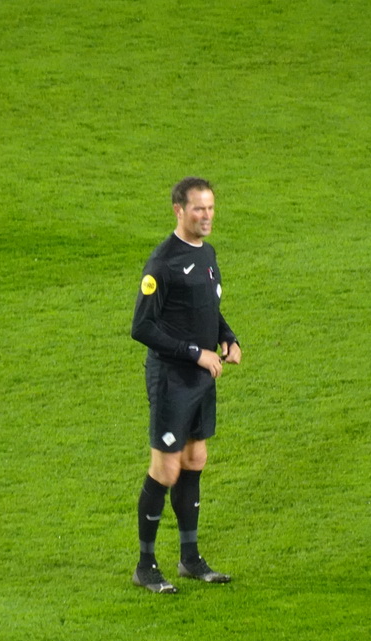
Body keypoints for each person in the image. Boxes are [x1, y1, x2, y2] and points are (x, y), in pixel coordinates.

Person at [129, 177, 242, 594]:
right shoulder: (162, 263)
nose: (207, 216)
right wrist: (196, 352)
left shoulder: (207, 253)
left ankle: (190, 559)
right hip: (172, 379)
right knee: (167, 468)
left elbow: (209, 307)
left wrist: (228, 337)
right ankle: (145, 565)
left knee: (195, 460)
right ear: (178, 210)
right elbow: (141, 326)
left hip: (202, 376)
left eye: (211, 208)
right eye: (199, 209)